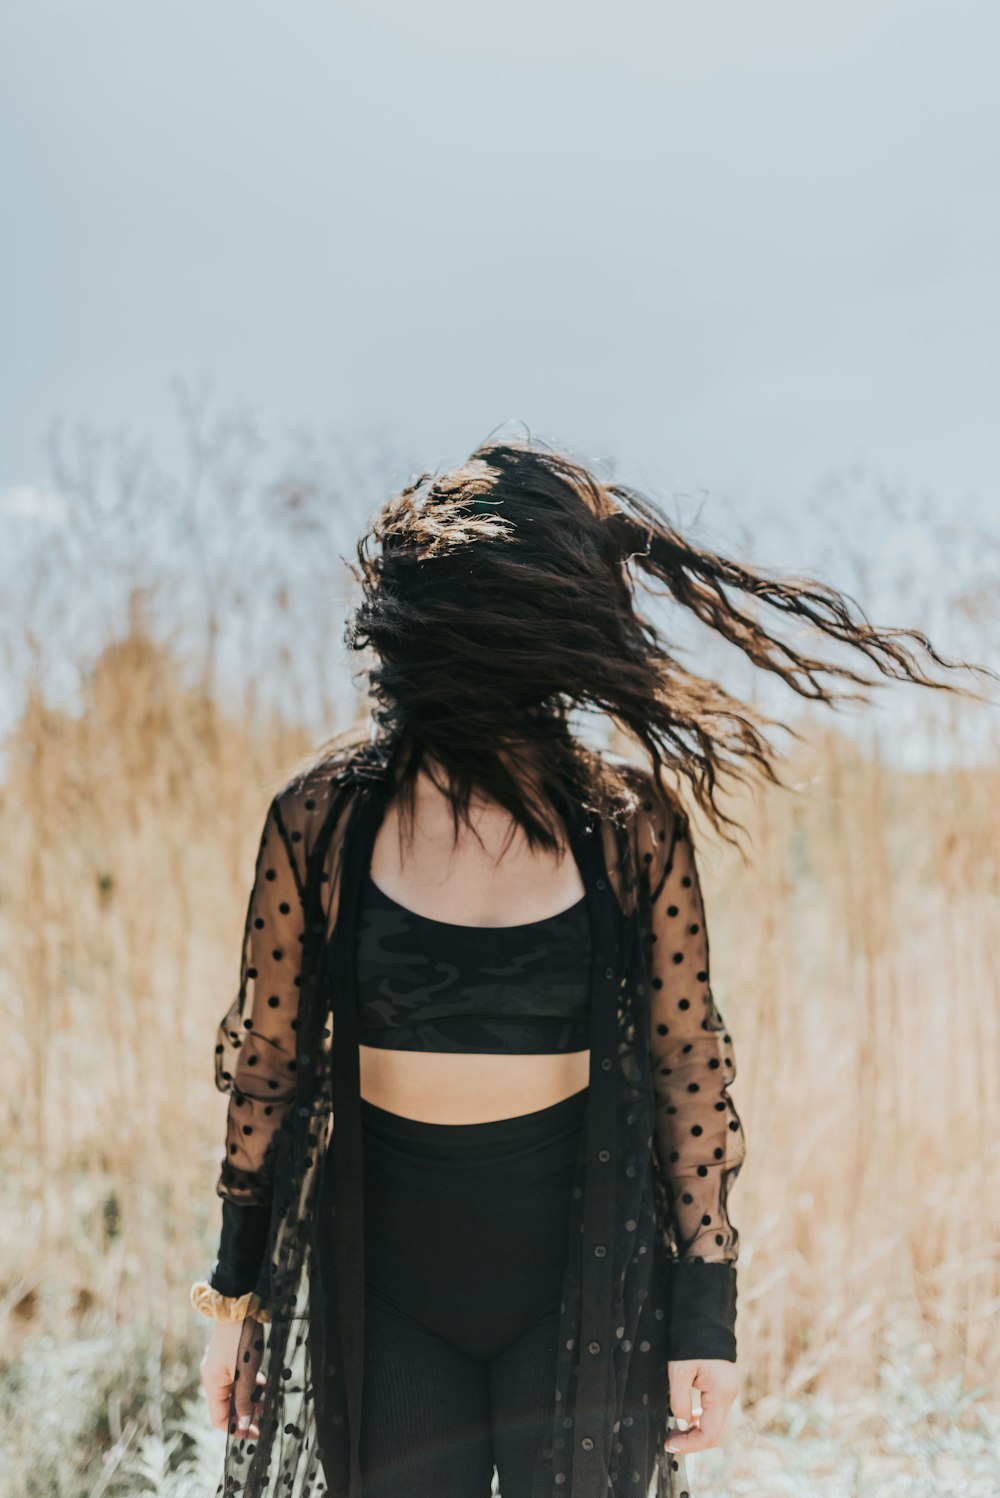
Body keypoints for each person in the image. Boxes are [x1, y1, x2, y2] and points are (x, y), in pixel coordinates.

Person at [189, 437, 990, 1498]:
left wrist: (705, 1315)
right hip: (382, 1285)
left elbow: (686, 1064)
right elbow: (269, 1067)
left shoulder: (624, 825)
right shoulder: (323, 820)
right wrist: (232, 1298)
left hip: (584, 1277)